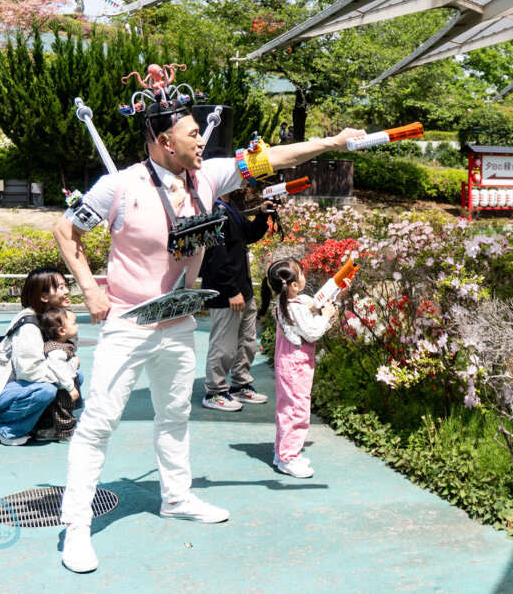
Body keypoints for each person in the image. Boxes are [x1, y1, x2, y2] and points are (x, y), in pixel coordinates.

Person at [52, 94, 363, 573]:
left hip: (178, 322)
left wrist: (333, 140)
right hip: (128, 324)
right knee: (98, 425)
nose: (202, 139)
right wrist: (90, 291)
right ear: (163, 140)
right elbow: (64, 231)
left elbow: (274, 157)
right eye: (193, 133)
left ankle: (176, 498)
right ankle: (75, 526)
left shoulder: (208, 178)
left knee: (175, 416)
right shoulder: (118, 186)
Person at [0, 267, 78, 448]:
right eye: (61, 287)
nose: (67, 291)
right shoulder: (29, 327)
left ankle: (41, 427)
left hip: (15, 388)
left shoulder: (52, 320)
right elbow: (30, 372)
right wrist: (68, 376)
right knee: (46, 389)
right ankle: (4, 429)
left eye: (65, 286)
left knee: (73, 376)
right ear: (44, 297)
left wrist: (70, 370)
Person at [261, 258, 348, 479]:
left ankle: (282, 452)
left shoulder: (288, 303)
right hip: (296, 367)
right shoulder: (294, 307)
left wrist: (334, 293)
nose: (304, 276)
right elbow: (312, 332)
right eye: (301, 273)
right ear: (293, 285)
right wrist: (327, 317)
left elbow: (312, 305)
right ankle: (289, 457)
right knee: (297, 409)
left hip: (289, 364)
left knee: (287, 408)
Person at [200, 192, 273, 411]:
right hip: (226, 291)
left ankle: (240, 385)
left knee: (247, 341)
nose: (242, 179)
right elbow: (214, 255)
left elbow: (247, 235)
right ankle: (214, 391)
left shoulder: (230, 204)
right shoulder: (211, 209)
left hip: (243, 287)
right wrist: (231, 290)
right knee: (223, 344)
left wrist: (262, 215)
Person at [30, 307, 83, 442]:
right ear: (61, 331)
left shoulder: (62, 344)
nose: (77, 325)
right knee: (63, 410)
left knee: (60, 411)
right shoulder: (56, 351)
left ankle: (49, 431)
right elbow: (59, 369)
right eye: (74, 323)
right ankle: (66, 433)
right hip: (61, 388)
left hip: (62, 385)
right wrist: (70, 387)